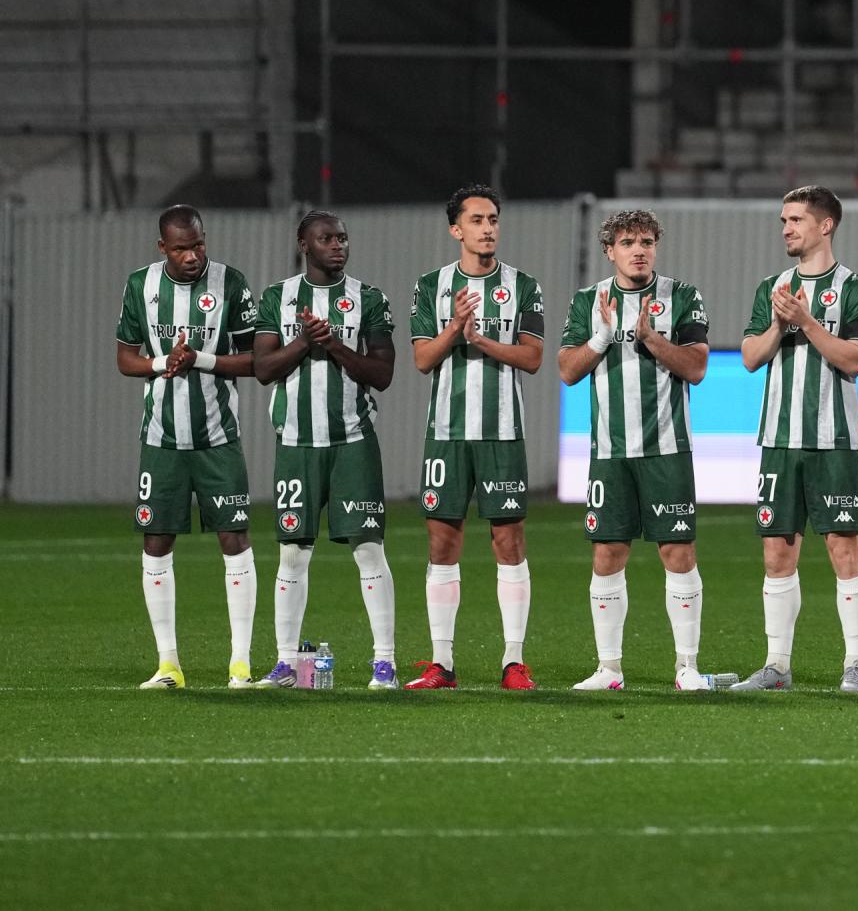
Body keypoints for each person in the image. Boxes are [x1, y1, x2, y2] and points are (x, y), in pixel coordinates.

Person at [558, 207, 730, 691]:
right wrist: (600, 338)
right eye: (628, 242)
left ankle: (687, 667)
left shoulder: (683, 297)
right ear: (610, 251)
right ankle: (609, 669)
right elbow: (568, 370)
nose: (639, 250)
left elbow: (696, 367)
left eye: (647, 241)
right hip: (610, 451)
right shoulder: (589, 301)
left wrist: (653, 339)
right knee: (607, 552)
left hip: (667, 448)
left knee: (677, 550)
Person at [734, 186, 858, 694]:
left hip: (835, 440)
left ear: (826, 225)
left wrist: (808, 322)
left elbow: (855, 359)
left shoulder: (856, 289)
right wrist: (779, 324)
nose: (787, 229)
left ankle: (855, 666)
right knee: (777, 552)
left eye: (795, 220)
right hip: (779, 437)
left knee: (844, 548)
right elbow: (751, 357)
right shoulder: (771, 288)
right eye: (783, 221)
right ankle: (777, 666)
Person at [403, 185, 543, 691]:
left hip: (503, 433)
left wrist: (481, 339)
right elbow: (422, 360)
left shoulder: (523, 286)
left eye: (493, 220)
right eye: (478, 220)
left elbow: (532, 358)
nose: (488, 228)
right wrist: (455, 328)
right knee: (443, 542)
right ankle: (442, 664)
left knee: (508, 540)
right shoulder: (430, 287)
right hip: (446, 433)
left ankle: (513, 661)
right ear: (456, 230)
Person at [251, 210, 398, 689]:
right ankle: (288, 663)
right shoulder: (278, 297)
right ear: (304, 244)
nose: (338, 245)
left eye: (342, 237)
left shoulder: (369, 299)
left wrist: (333, 345)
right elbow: (264, 367)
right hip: (296, 443)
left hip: (353, 442)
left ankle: (385, 663)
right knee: (292, 554)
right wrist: (304, 342)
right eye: (327, 238)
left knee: (369, 550)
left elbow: (382, 374)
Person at [115, 205, 261, 689]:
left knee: (234, 541)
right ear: (163, 248)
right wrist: (163, 365)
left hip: (219, 438)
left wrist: (199, 358)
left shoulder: (231, 283)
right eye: (181, 248)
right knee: (156, 544)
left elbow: (256, 361)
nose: (193, 255)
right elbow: (125, 358)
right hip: (161, 438)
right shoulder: (141, 286)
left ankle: (239, 663)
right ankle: (168, 664)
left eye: (198, 244)